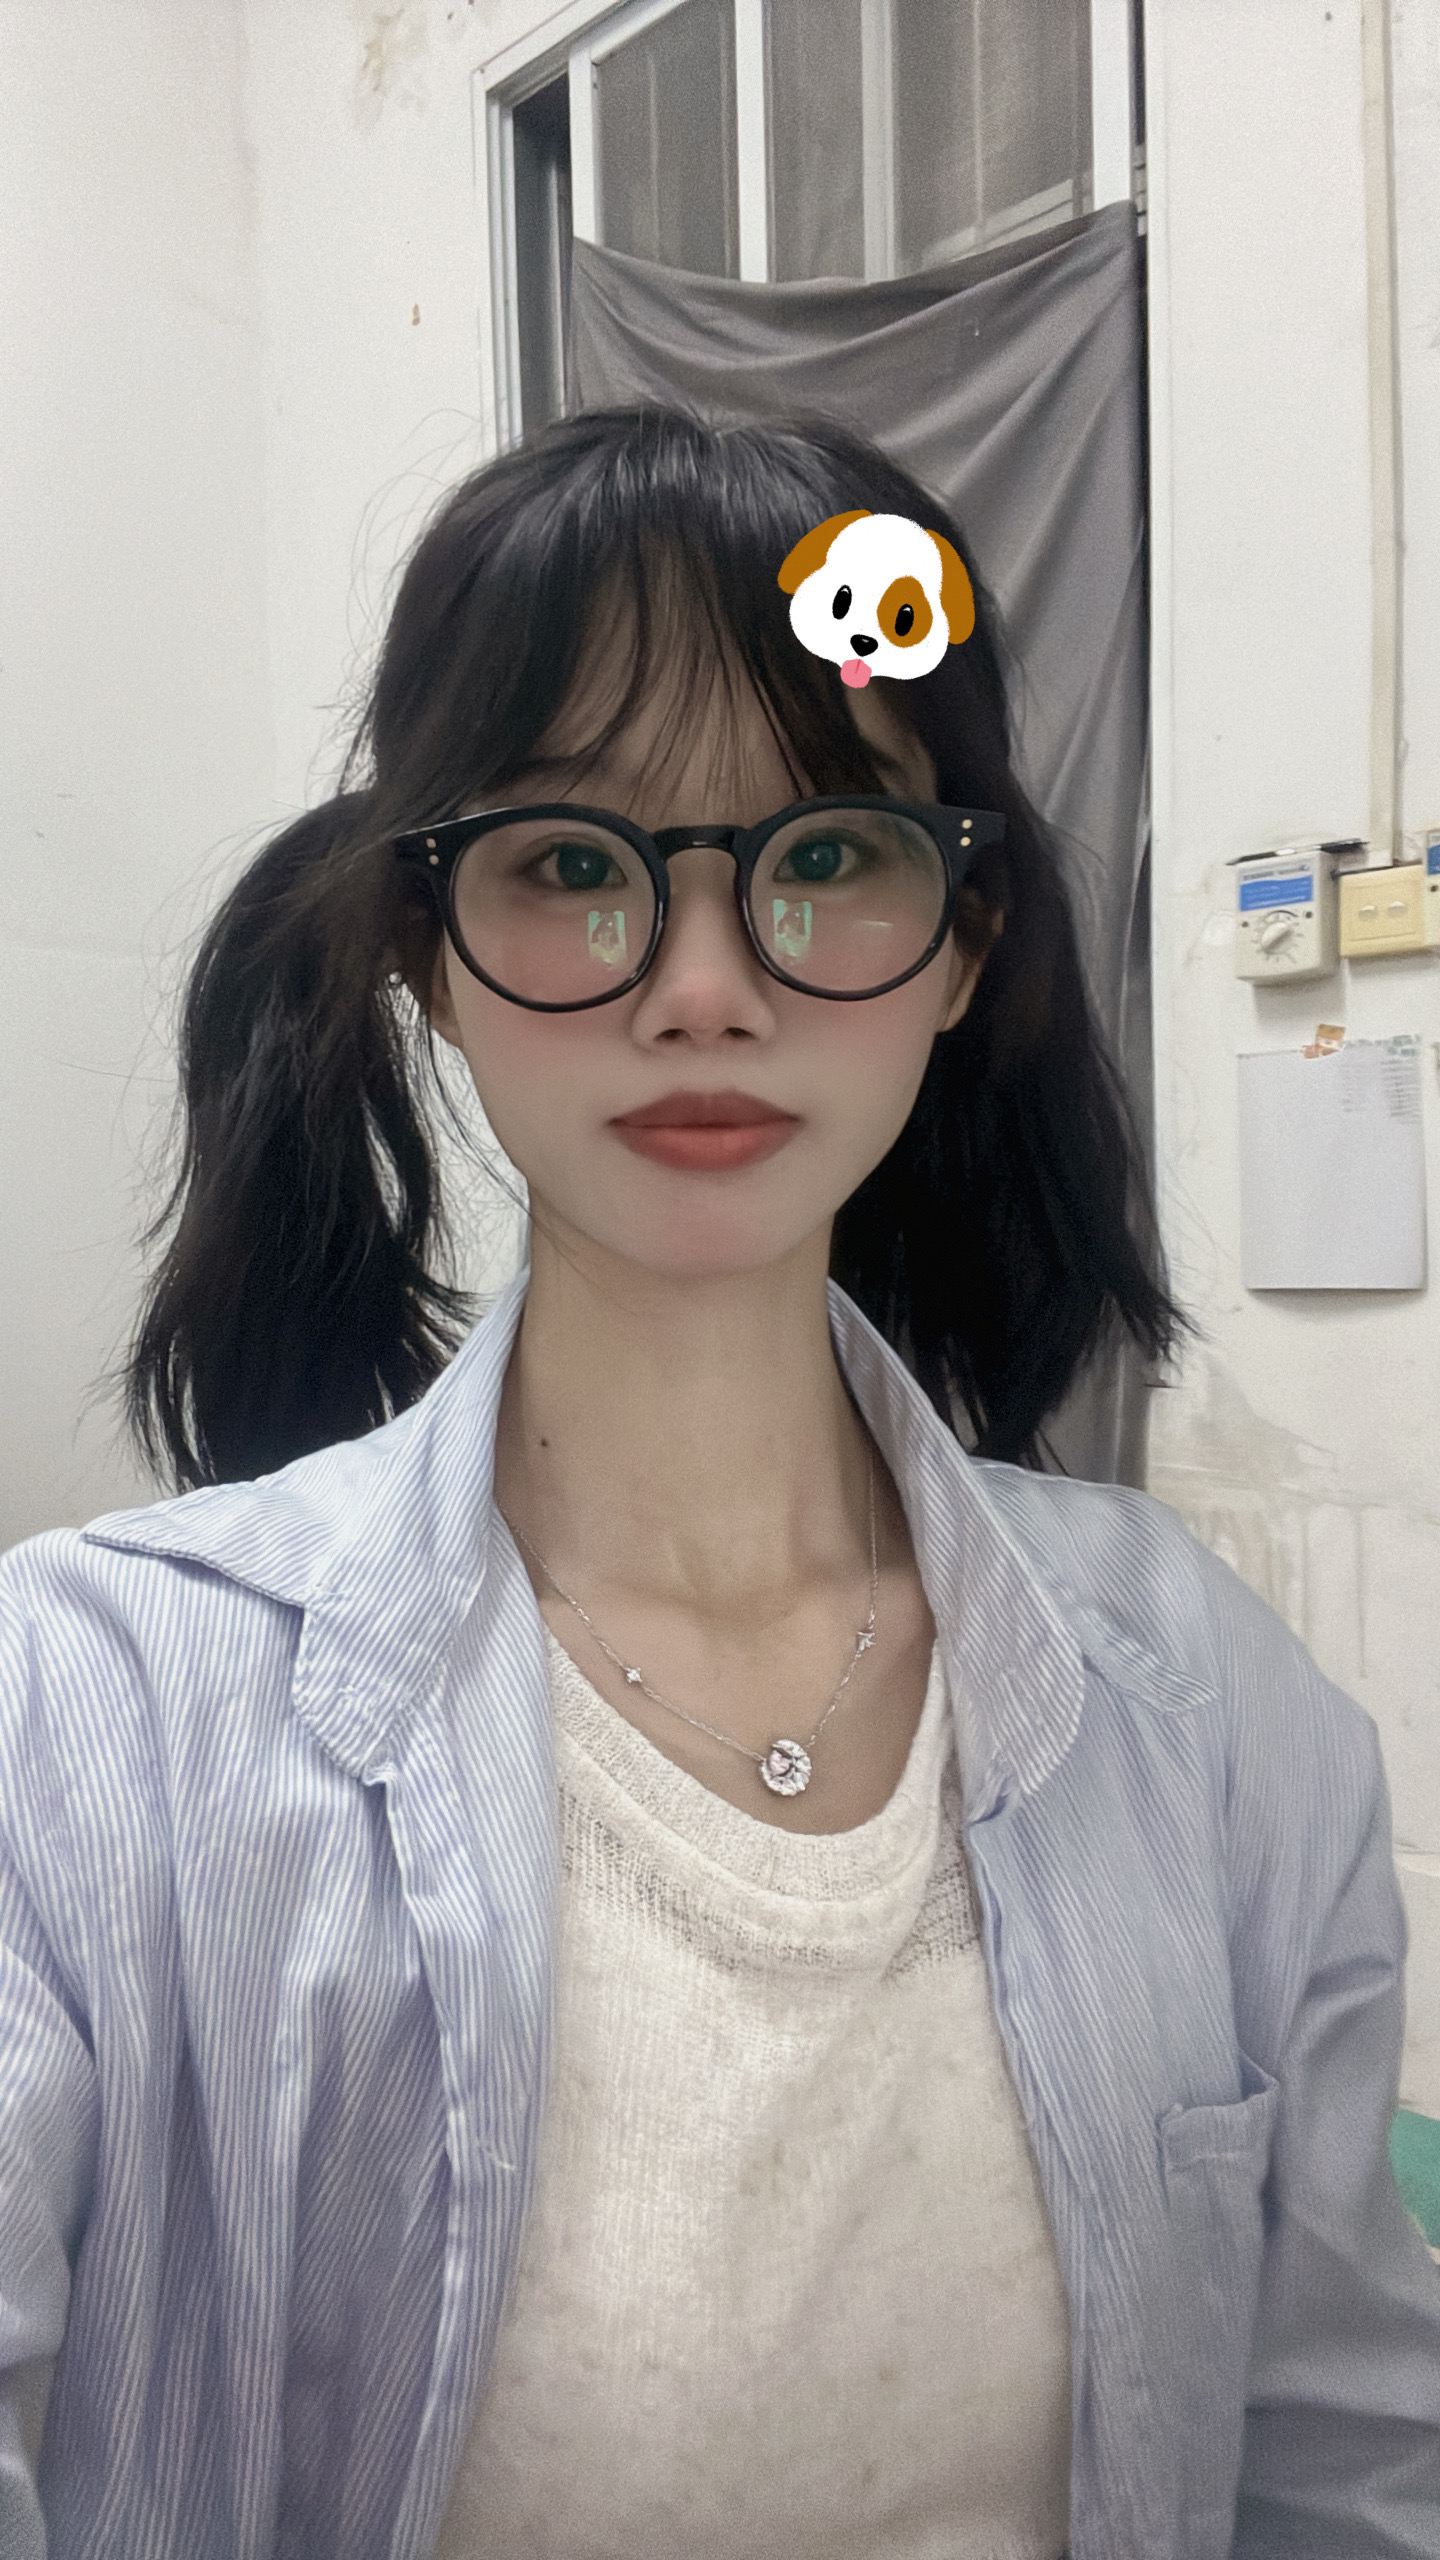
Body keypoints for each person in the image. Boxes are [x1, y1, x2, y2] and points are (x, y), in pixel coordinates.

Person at [2, 409, 1436, 2560]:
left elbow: (1342, 2462)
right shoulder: (82, 1715)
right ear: (426, 949)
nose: (701, 988)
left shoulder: (1213, 1709)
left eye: (828, 854)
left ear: (965, 937)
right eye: (572, 862)